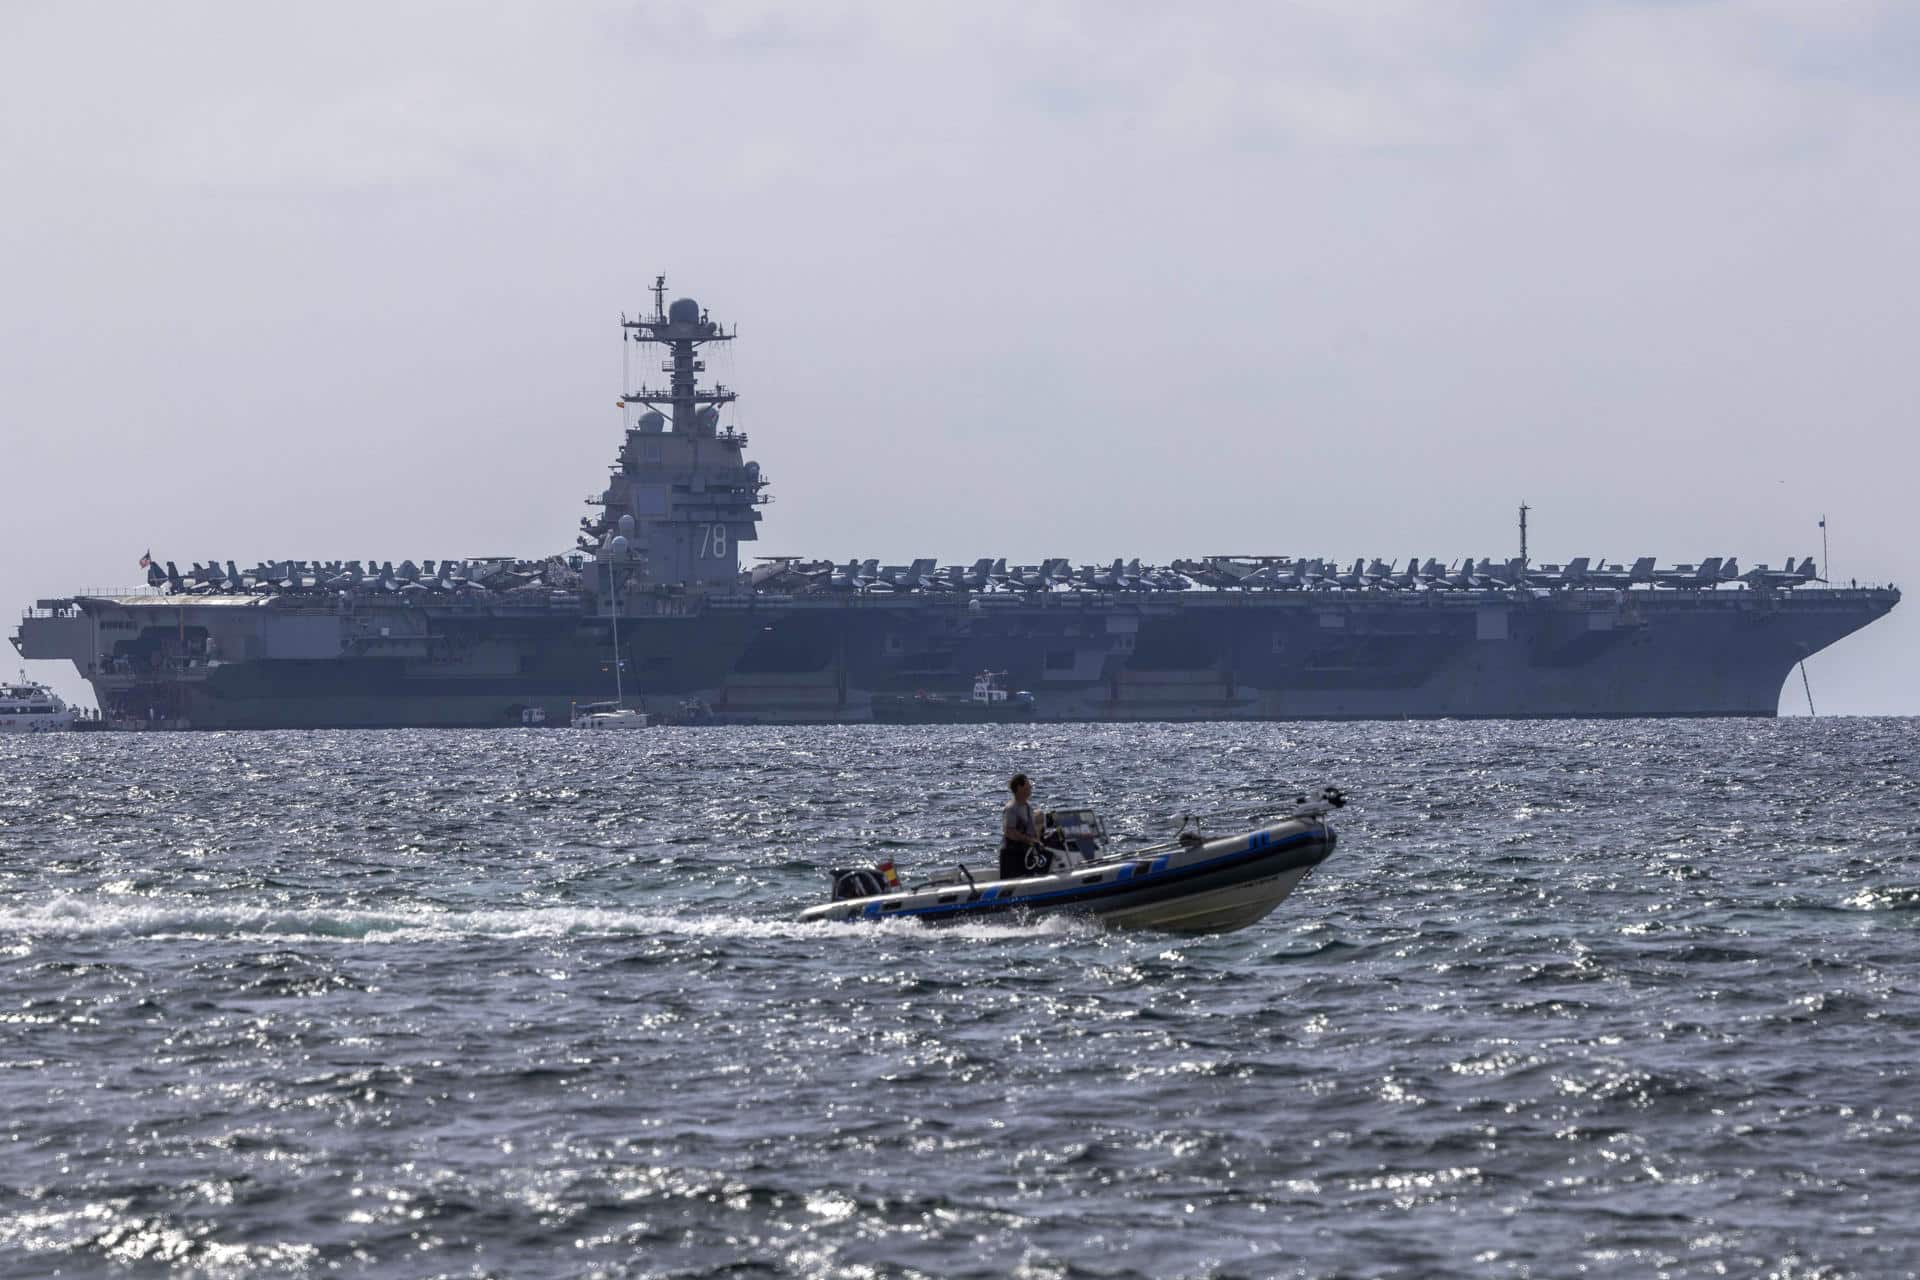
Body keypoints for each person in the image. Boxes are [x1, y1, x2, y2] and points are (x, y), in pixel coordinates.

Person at [999, 773, 1048, 880]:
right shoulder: (1011, 808)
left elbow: (1032, 829)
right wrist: (1029, 840)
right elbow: (1009, 831)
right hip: (1012, 854)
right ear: (1020, 787)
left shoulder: (1028, 807)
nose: (1030, 787)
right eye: (1028, 785)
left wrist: (1038, 839)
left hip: (1025, 852)